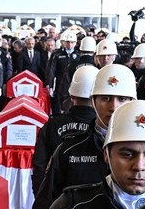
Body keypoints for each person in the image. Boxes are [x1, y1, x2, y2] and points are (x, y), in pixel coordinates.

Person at [31, 64, 137, 209]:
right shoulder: (68, 149)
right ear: (93, 101)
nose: (114, 107)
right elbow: (45, 204)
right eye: (106, 98)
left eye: (122, 99)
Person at [30, 64, 97, 196]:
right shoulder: (105, 129)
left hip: (56, 201)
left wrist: (40, 198)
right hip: (93, 202)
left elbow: (39, 166)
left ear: (71, 95)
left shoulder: (52, 125)